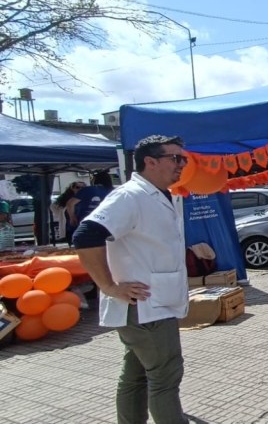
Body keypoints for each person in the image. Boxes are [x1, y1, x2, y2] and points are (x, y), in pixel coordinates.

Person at [73, 135, 189, 424]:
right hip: (146, 306)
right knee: (165, 376)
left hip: (154, 303)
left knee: (136, 375)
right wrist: (109, 286)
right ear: (150, 161)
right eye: (175, 158)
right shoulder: (130, 196)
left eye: (183, 158)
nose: (182, 164)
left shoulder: (158, 194)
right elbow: (86, 236)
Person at [67, 171, 114, 236]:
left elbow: (70, 203)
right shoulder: (114, 191)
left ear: (96, 179)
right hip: (107, 223)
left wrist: (72, 217)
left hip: (86, 222)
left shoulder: (87, 190)